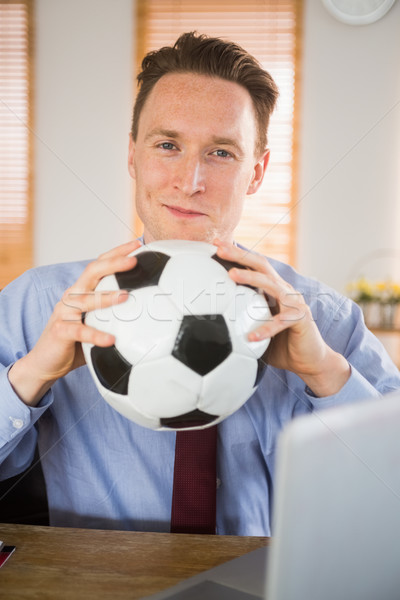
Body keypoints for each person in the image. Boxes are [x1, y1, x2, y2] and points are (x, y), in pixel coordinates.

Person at [1, 32, 399, 535]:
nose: (190, 180)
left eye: (221, 153)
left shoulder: (325, 319)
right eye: (168, 145)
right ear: (132, 156)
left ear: (256, 171)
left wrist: (324, 373)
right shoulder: (39, 305)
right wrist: (30, 377)